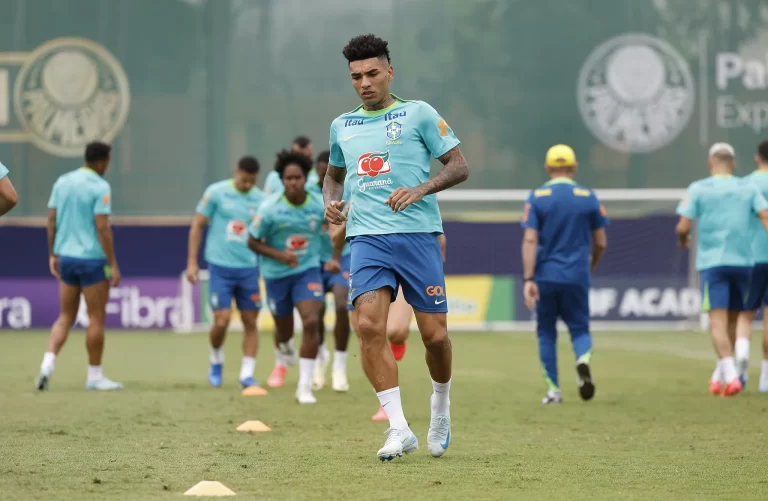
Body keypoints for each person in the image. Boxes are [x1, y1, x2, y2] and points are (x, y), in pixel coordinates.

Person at [323, 34, 468, 461]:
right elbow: (332, 175)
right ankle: (399, 428)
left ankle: (440, 404)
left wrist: (421, 188)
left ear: (389, 72)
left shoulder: (419, 113)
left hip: (418, 236)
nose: (364, 83)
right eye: (355, 77)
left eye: (371, 73)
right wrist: (329, 202)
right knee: (368, 327)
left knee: (435, 337)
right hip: (366, 238)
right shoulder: (341, 126)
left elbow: (459, 165)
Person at [331, 218, 447, 420]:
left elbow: (435, 226)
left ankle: (439, 398)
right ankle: (387, 404)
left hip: (407, 254)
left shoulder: (404, 188)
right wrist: (346, 218)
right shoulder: (347, 189)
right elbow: (335, 238)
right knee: (366, 335)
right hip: (364, 261)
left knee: (396, 331)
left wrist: (437, 258)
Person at [676, 142, 768, 397]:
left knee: (716, 320)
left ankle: (732, 376)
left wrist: (683, 241)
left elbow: (682, 227)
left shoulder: (699, 188)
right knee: (732, 319)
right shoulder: (746, 187)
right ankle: (720, 375)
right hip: (744, 264)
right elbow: (765, 216)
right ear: (734, 164)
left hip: (713, 263)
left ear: (710, 163)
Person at [521, 145, 607, 405]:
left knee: (546, 332)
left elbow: (529, 239)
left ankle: (554, 390)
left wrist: (528, 279)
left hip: (546, 275)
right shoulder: (588, 196)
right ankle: (583, 360)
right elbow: (601, 242)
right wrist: (590, 266)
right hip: (577, 274)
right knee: (580, 328)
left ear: (548, 168)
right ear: (574, 167)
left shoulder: (537, 197)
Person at [36, 142, 122, 391]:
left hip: (66, 258)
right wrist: (113, 263)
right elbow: (103, 227)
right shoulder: (100, 185)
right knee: (96, 318)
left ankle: (46, 365)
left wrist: (53, 253)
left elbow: (51, 220)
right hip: (92, 260)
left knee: (65, 317)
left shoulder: (62, 181)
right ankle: (95, 376)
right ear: (101, 162)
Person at [248, 150, 325, 404]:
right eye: (288, 178)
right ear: (281, 180)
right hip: (276, 274)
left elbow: (331, 226)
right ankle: (284, 345)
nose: (293, 182)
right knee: (284, 332)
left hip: (307, 270)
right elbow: (252, 241)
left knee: (312, 321)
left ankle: (304, 387)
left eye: (298, 177)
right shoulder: (270, 209)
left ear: (305, 178)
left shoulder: (317, 203)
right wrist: (281, 256)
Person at [186, 156, 265, 389]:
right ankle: (216, 359)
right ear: (235, 172)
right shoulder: (216, 192)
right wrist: (192, 262)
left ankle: (247, 375)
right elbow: (197, 224)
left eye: (251, 182)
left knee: (251, 321)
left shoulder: (261, 199)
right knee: (221, 321)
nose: (247, 185)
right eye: (243, 180)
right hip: (220, 267)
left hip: (249, 268)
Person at [312, 151, 352, 392]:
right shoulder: (307, 194)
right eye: (320, 168)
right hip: (314, 261)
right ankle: (319, 357)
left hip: (343, 257)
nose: (323, 171)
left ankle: (339, 366)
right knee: (314, 310)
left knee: (340, 304)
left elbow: (342, 226)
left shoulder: (347, 193)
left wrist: (336, 257)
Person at [735, 139, 768, 392]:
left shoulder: (745, 184)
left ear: (758, 158)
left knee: (745, 316)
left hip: (749, 258)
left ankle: (742, 363)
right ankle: (766, 377)